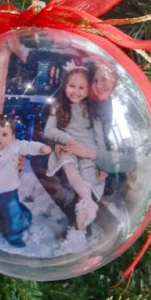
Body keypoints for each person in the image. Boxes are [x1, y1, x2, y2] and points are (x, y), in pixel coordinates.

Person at [0, 114, 51, 247]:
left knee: (13, 214)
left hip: (10, 192)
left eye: (4, 134)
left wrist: (41, 148)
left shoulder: (16, 146)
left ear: (12, 136)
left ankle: (14, 236)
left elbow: (30, 146)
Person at [43, 66, 106, 230]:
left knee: (86, 179)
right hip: (68, 147)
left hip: (88, 151)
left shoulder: (92, 110)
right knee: (67, 164)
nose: (76, 91)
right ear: (65, 85)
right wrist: (67, 139)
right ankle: (88, 202)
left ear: (88, 90)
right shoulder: (57, 106)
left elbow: (100, 139)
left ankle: (81, 225)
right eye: (72, 86)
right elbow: (48, 130)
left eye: (81, 87)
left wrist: (103, 162)